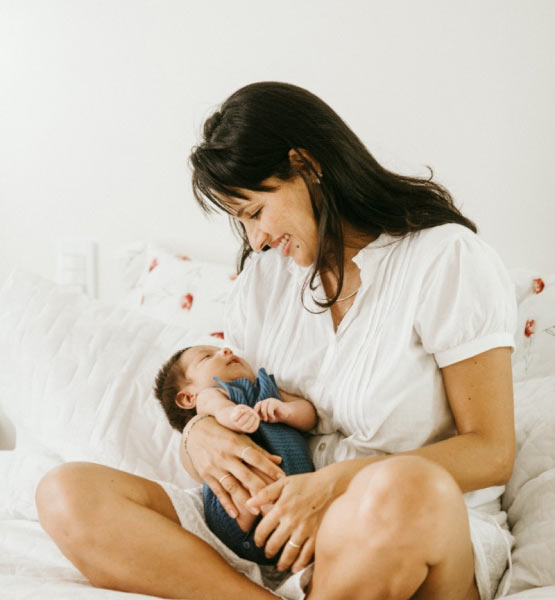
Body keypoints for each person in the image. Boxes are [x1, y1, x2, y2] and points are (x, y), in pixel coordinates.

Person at [36, 81, 517, 600]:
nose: (257, 240)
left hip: (406, 530)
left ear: (305, 165)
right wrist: (198, 435)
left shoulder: (445, 259)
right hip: (276, 540)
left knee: (405, 488)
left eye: (255, 213)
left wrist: (337, 484)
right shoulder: (265, 281)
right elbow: (235, 403)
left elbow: (491, 452)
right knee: (66, 492)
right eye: (241, 223)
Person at [153, 344, 316, 564]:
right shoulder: (211, 396)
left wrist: (286, 411)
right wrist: (232, 414)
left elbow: (309, 416)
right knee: (246, 480)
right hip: (238, 517)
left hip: (300, 502)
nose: (225, 350)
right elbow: (218, 407)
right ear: (188, 398)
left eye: (220, 348)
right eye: (207, 357)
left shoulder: (267, 388)